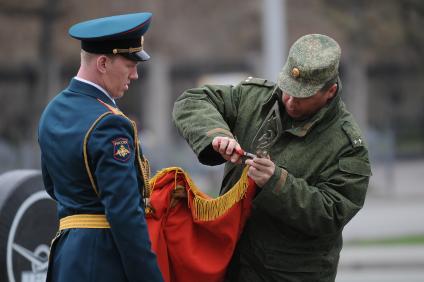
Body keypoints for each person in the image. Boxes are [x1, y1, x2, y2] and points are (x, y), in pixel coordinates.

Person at [172, 34, 371, 281]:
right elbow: (191, 101)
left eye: (302, 96)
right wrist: (217, 136)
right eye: (288, 89)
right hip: (232, 266)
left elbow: (332, 213)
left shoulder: (348, 145)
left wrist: (277, 182)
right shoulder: (255, 98)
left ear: (330, 92)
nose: (290, 100)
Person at [38, 13, 163, 282]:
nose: (135, 74)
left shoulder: (52, 111)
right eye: (130, 64)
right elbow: (125, 214)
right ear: (103, 63)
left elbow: (52, 186)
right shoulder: (110, 123)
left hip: (66, 256)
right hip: (103, 259)